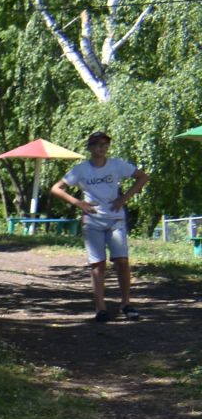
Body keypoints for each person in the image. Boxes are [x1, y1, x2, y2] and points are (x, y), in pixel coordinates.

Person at [51, 132, 150, 323]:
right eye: (97, 144)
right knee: (98, 264)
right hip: (93, 220)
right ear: (89, 148)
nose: (101, 148)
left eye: (105, 144)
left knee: (122, 260)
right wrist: (78, 203)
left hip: (115, 219)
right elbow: (56, 188)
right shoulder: (80, 170)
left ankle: (126, 304)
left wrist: (124, 198)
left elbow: (142, 177)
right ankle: (101, 308)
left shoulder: (116, 164)